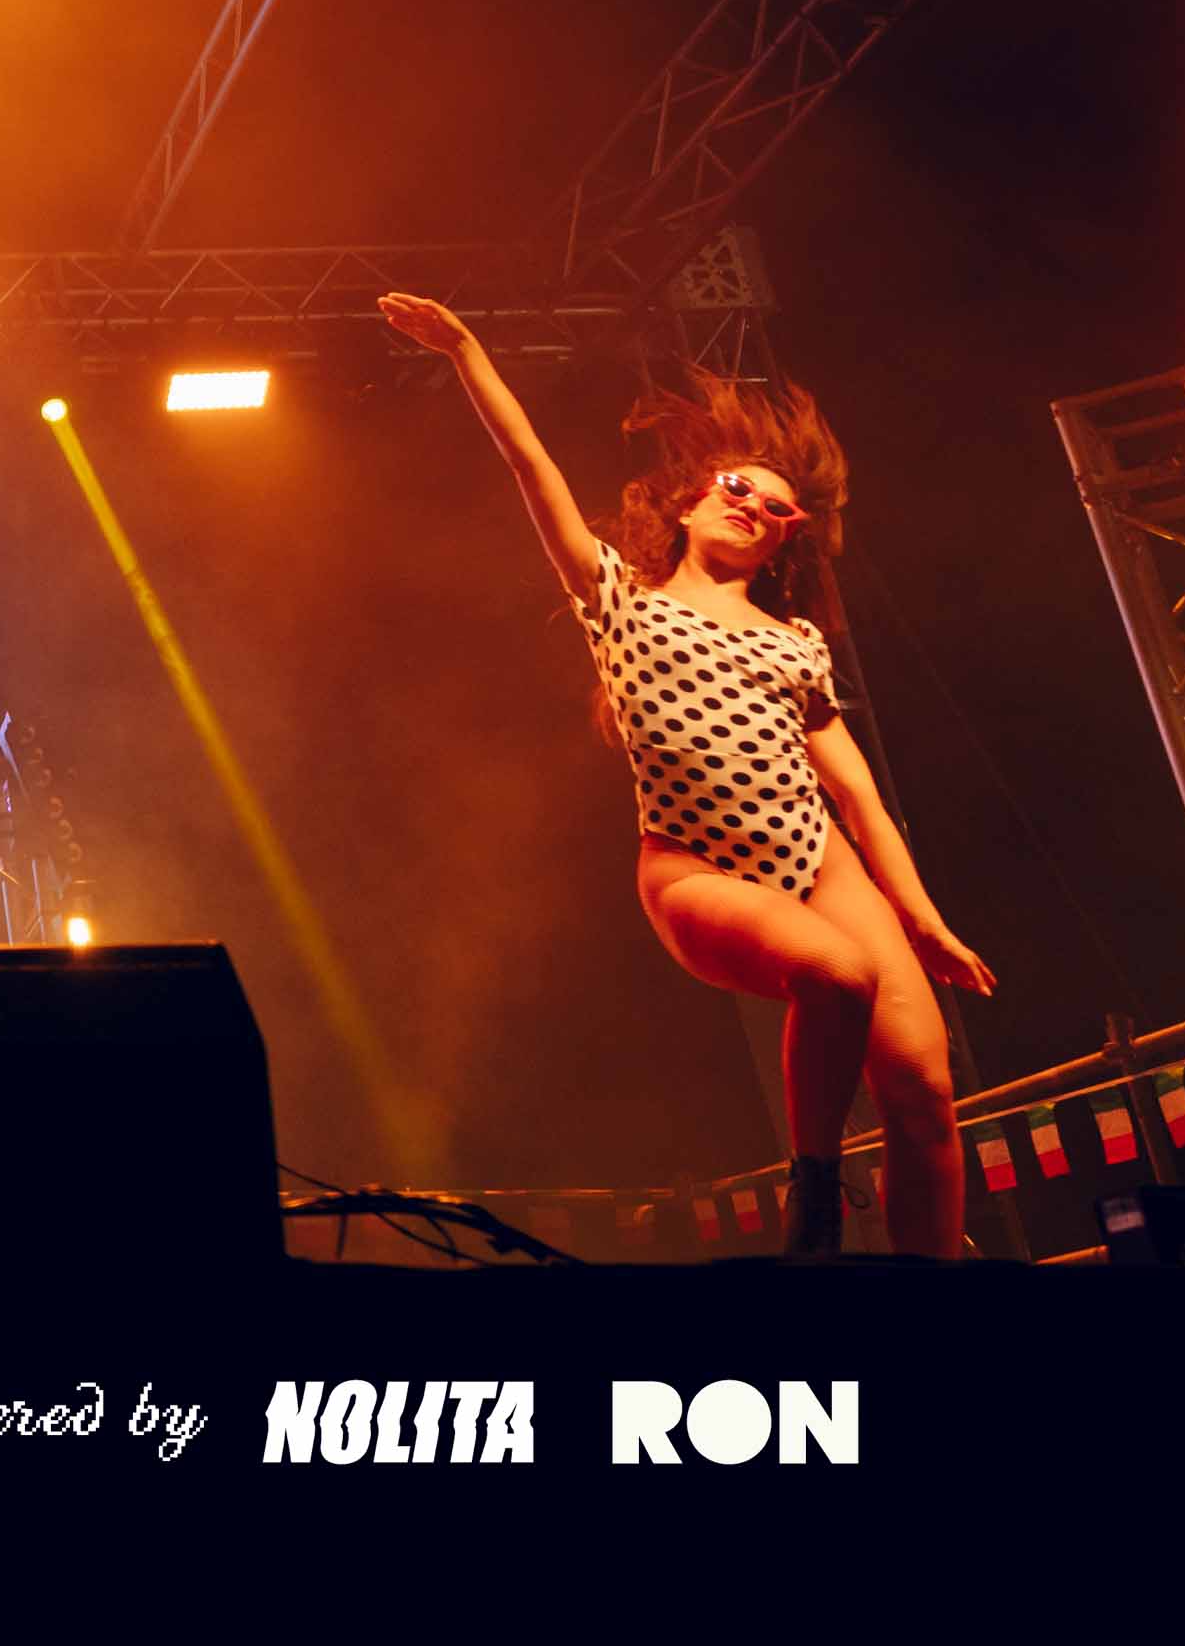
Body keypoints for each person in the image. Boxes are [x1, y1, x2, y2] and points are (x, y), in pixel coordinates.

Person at [381, 292, 993, 1259]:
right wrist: (465, 350)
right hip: (694, 869)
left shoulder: (795, 642)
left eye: (775, 506)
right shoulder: (618, 599)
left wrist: (923, 921)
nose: (751, 504)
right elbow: (530, 464)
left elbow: (857, 796)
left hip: (819, 859)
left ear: (786, 536)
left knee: (924, 1090)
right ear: (693, 499)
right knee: (834, 975)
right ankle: (816, 1190)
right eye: (737, 487)